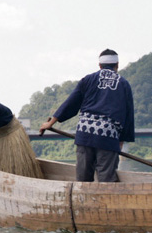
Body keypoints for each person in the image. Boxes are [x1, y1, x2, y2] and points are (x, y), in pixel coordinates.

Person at [39, 49, 135, 182]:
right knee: (106, 179)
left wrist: (50, 123)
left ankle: (83, 201)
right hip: (108, 136)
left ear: (100, 65)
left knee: (83, 178)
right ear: (117, 65)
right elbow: (128, 116)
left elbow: (71, 103)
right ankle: (105, 200)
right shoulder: (124, 84)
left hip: (85, 133)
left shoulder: (88, 79)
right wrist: (120, 142)